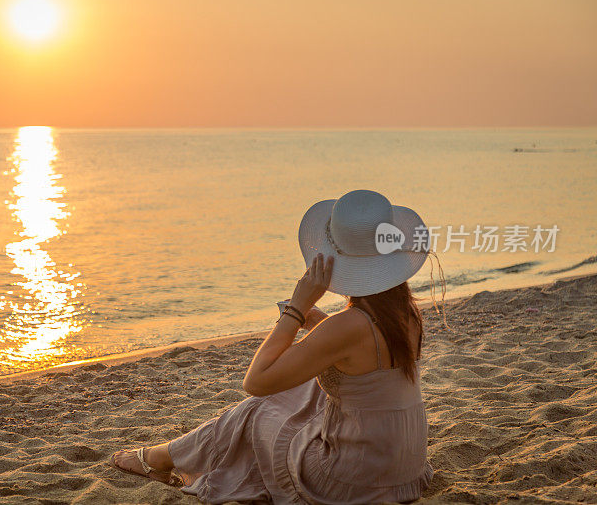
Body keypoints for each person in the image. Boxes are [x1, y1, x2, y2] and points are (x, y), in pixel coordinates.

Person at [111, 189, 440, 504]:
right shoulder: (404, 314)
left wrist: (297, 309)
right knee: (307, 391)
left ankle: (160, 458)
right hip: (403, 472)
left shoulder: (347, 326)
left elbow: (255, 382)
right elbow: (364, 354)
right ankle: (165, 455)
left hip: (350, 483)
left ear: (335, 257)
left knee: (256, 409)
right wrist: (316, 322)